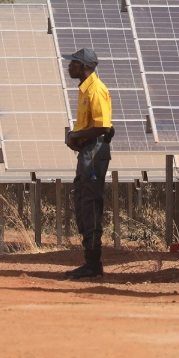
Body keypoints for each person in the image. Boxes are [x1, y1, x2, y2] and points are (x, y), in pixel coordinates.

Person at [61, 48, 114, 279]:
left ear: (83, 66)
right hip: (87, 151)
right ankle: (90, 261)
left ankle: (93, 263)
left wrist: (75, 137)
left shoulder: (96, 90)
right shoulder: (85, 90)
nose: (69, 67)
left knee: (90, 203)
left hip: (94, 152)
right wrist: (76, 138)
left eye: (73, 63)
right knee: (82, 202)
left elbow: (103, 127)